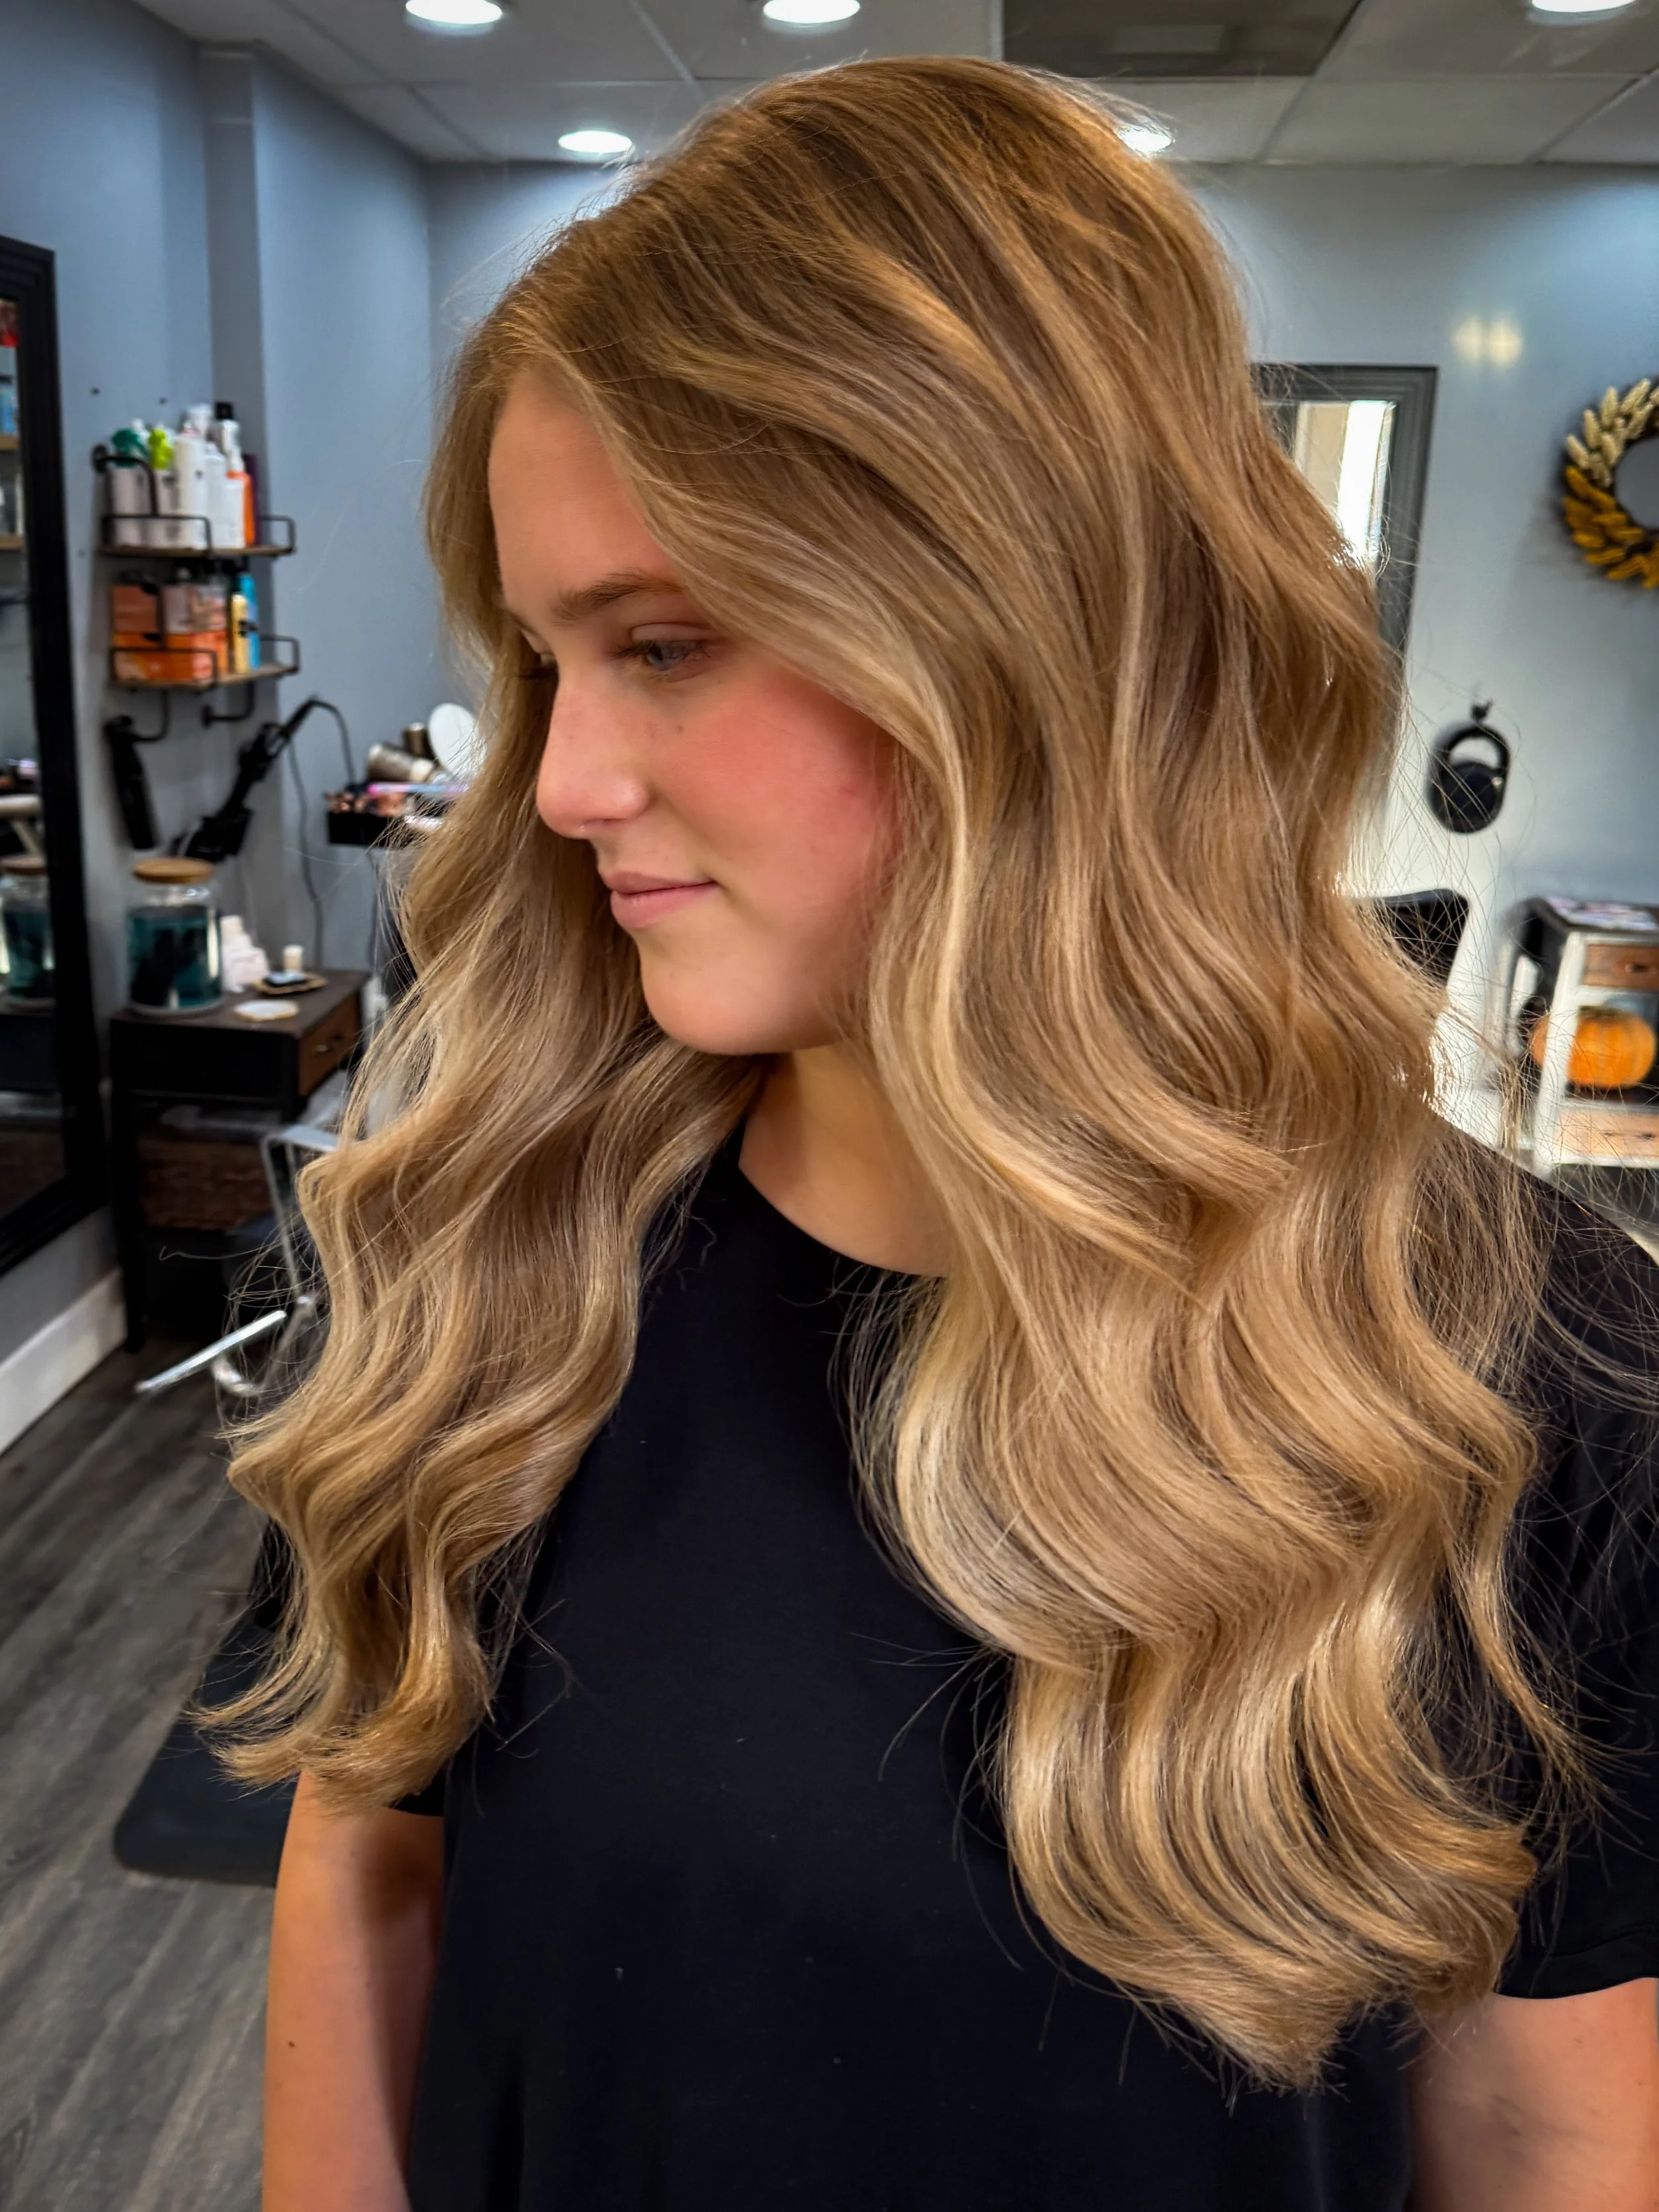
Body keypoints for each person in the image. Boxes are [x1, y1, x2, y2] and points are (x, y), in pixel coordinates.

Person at [215, 55, 1659, 2212]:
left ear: (1029, 639)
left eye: (668, 642)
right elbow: (362, 1882)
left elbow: (1539, 2126)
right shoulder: (491, 1272)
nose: (562, 778)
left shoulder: (1516, 1379)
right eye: (545, 662)